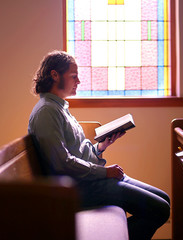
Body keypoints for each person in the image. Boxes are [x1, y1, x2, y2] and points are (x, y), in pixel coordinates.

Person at [28, 50, 170, 240]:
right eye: (74, 76)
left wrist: (100, 147)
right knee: (159, 209)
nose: (78, 81)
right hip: (79, 188)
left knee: (164, 200)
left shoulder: (60, 107)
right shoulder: (47, 111)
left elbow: (77, 151)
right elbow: (62, 163)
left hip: (91, 180)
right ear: (55, 75)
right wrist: (106, 172)